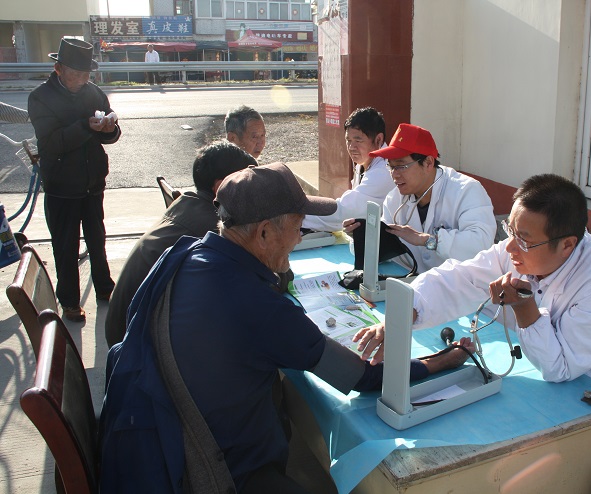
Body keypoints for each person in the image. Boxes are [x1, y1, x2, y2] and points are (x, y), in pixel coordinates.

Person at [99, 163, 472, 493]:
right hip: (212, 472)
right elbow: (363, 377)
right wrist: (443, 360)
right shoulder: (259, 307)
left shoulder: (183, 255)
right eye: (297, 227)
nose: (299, 238)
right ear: (263, 233)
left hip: (151, 436)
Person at [353, 174, 591, 494]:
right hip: (563, 389)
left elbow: (561, 366)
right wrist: (403, 314)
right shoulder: (523, 250)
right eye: (509, 230)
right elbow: (462, 276)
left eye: (523, 239)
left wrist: (525, 311)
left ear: (567, 244)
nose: (510, 247)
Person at [104, 141, 257, 347]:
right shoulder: (213, 228)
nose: (254, 194)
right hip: (138, 350)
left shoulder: (187, 204)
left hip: (125, 334)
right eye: (248, 184)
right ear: (221, 187)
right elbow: (259, 282)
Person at [28, 38, 121, 322]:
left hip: (93, 181)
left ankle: (105, 287)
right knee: (65, 245)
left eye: (86, 74)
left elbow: (111, 136)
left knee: (97, 239)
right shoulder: (41, 97)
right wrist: (86, 126)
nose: (82, 80)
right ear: (58, 69)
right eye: (76, 74)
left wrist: (110, 128)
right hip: (61, 185)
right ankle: (69, 301)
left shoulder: (93, 92)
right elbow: (52, 143)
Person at [345, 123, 497, 273]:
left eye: (401, 166)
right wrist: (363, 237)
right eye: (390, 166)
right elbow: (385, 249)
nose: (394, 174)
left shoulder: (466, 191)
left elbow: (481, 245)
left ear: (428, 163)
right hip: (415, 281)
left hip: (460, 284)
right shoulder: (395, 198)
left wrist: (429, 240)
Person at [303, 107, 395, 232]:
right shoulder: (364, 162)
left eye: (358, 140)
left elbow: (342, 213)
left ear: (378, 139)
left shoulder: (383, 171)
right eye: (348, 140)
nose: (351, 147)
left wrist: (299, 215)